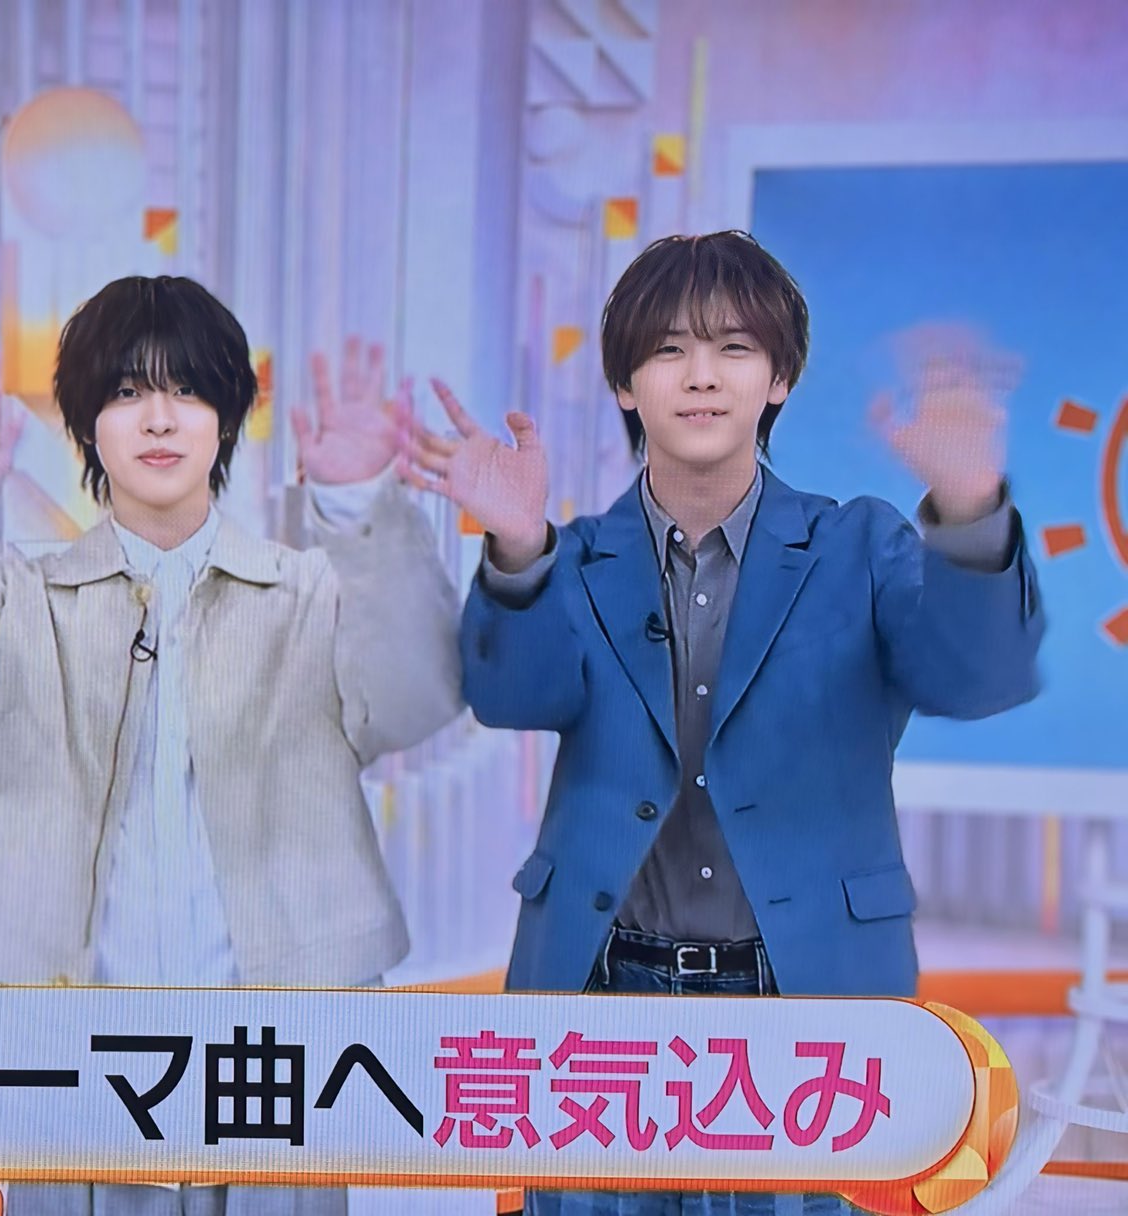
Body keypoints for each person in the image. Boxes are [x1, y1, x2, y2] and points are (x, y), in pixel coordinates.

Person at [401, 230, 1044, 1214]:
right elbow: (512, 695)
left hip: (807, 1008)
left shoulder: (858, 544)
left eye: (733, 348)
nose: (699, 376)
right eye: (668, 350)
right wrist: (519, 548)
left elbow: (976, 677)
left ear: (778, 378)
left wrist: (967, 510)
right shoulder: (576, 555)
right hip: (601, 1006)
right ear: (626, 385)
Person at [0, 275, 463, 1215]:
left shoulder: (308, 593)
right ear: (88, 424)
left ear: (228, 417)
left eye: (188, 390)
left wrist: (358, 511)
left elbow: (416, 696)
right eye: (128, 391)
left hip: (276, 1076)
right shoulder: (15, 598)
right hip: (67, 1075)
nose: (160, 418)